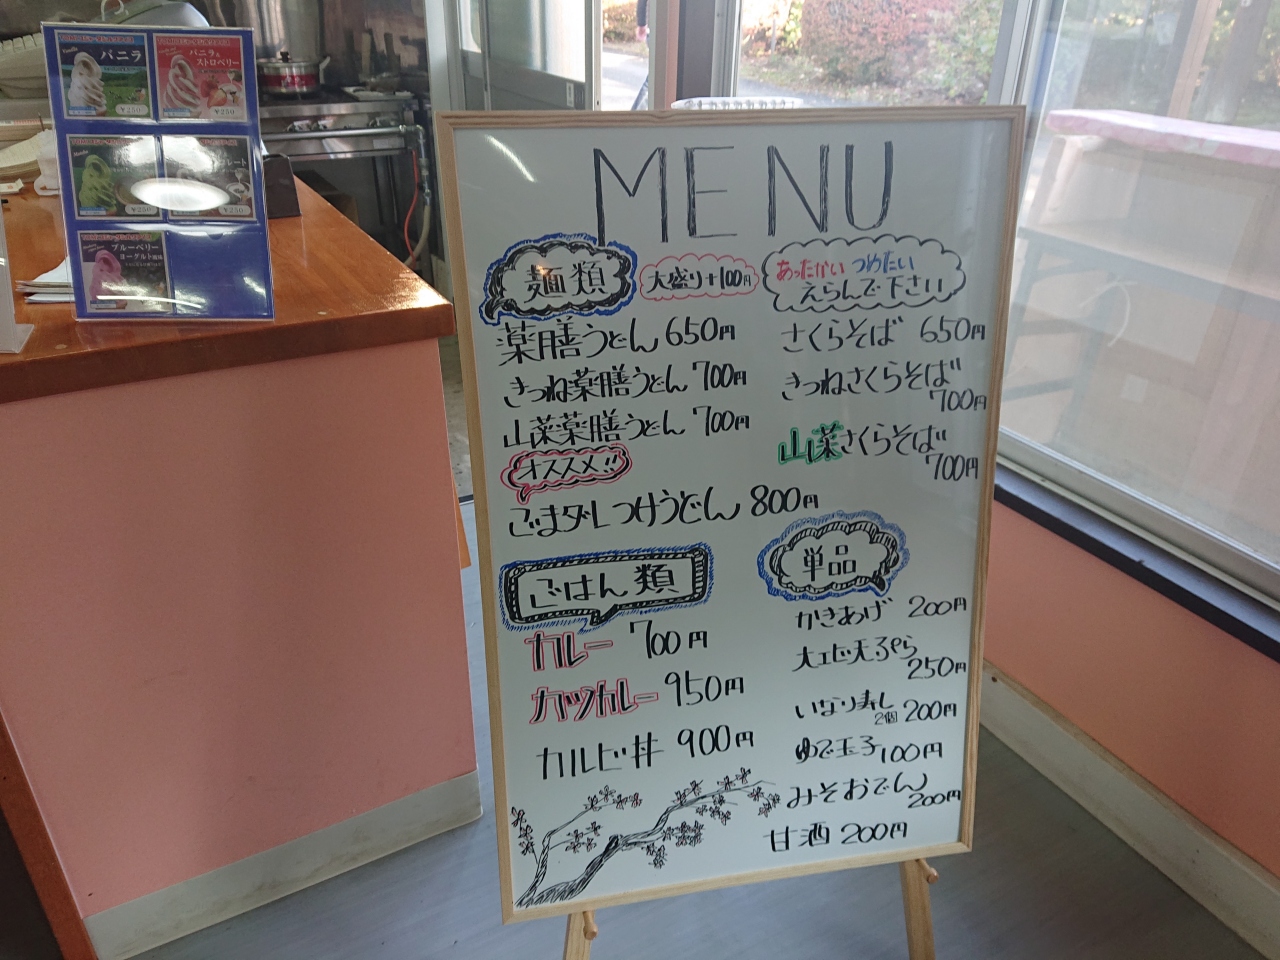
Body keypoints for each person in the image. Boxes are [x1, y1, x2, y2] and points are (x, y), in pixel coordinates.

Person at [631, 0, 649, 109]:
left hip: (654, 28)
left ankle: (634, 114)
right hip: (658, 29)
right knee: (652, 81)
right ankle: (635, 115)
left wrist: (641, 24)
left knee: (651, 80)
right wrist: (642, 24)